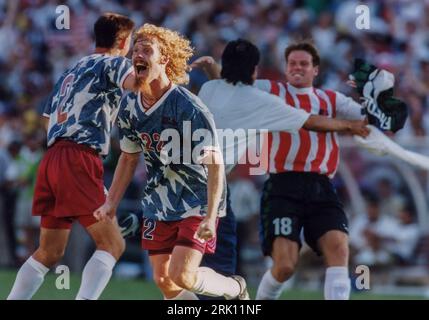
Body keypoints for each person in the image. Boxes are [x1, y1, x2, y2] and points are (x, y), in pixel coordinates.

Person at [191, 39, 369, 300]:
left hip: (321, 186)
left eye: (304, 63)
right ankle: (236, 295)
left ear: (316, 69)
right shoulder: (266, 93)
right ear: (263, 70)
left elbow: (229, 87)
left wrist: (379, 116)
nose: (298, 68)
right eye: (293, 63)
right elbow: (310, 122)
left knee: (339, 249)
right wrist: (351, 127)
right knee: (283, 265)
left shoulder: (332, 98)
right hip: (281, 185)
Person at [94, 24, 249, 300]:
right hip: (159, 200)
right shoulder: (130, 107)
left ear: (164, 59)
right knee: (164, 280)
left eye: (147, 50)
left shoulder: (188, 107)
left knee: (183, 275)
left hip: (196, 199)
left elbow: (215, 164)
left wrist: (212, 217)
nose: (138, 54)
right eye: (136, 50)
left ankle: (235, 288)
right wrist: (111, 204)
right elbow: (129, 158)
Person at [8, 13, 136, 300]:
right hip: (78, 156)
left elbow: (46, 120)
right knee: (113, 244)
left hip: (52, 157)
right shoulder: (113, 62)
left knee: (49, 252)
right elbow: (136, 84)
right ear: (124, 41)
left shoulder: (71, 69)